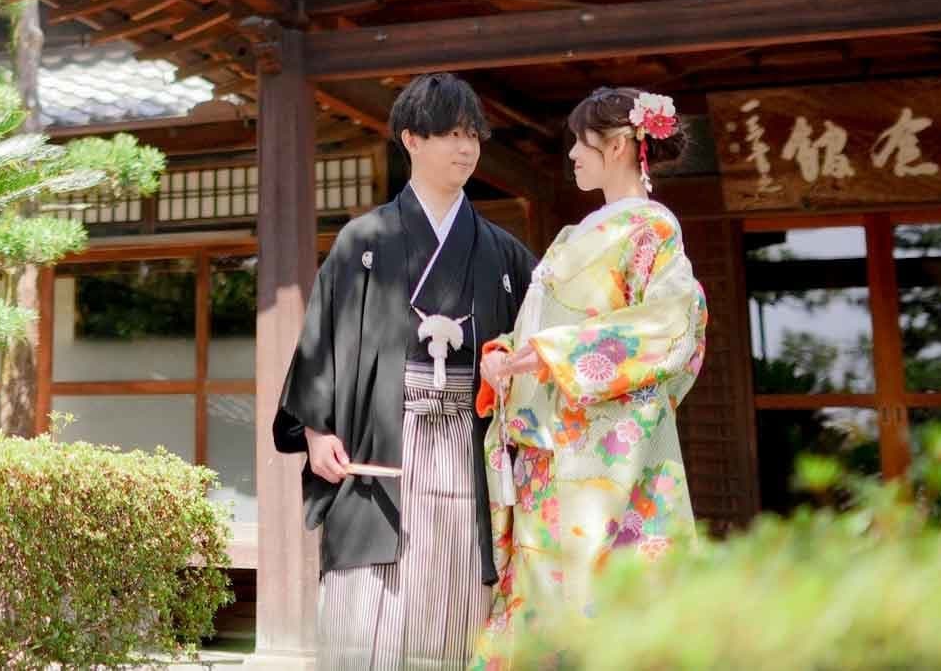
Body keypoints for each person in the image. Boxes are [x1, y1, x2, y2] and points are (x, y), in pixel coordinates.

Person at [273, 72, 538, 671]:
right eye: (448, 133)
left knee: (461, 595)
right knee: (373, 614)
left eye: (472, 134)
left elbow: (539, 345)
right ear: (411, 139)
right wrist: (316, 433)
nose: (465, 147)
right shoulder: (362, 241)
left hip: (470, 447)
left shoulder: (504, 253)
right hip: (381, 447)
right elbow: (321, 342)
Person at [470, 86, 709, 670]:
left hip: (606, 453)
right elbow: (535, 330)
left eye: (583, 141)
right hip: (550, 452)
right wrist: (504, 355)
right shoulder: (575, 236)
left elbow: (674, 321)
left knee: (603, 598)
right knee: (540, 596)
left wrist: (552, 354)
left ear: (624, 143)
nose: (573, 154)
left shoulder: (653, 229)